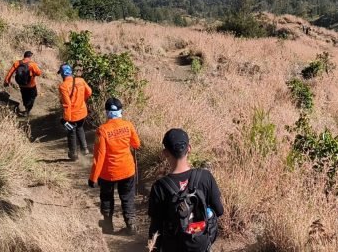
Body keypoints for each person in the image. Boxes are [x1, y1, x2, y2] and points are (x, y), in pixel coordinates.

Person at [148, 129, 224, 252]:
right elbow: (219, 211)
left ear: (165, 153)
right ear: (189, 148)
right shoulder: (205, 177)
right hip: (201, 244)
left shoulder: (159, 187)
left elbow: (156, 227)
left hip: (173, 247)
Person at [89, 97, 142, 235]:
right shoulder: (128, 125)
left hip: (108, 173)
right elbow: (137, 144)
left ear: (106, 112)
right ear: (121, 111)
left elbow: (99, 156)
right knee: (127, 197)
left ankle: (107, 226)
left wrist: (93, 178)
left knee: (107, 197)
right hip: (127, 170)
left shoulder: (102, 130)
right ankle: (131, 225)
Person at [58, 63, 93, 160]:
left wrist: (66, 119)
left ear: (62, 74)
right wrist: (82, 100)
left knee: (71, 131)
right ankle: (84, 149)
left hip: (72, 115)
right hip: (82, 112)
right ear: (71, 72)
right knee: (80, 128)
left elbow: (67, 104)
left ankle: (73, 154)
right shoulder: (81, 80)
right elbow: (89, 92)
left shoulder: (63, 86)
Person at [4, 51, 42, 116]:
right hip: (31, 85)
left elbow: (10, 72)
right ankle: (27, 110)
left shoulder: (17, 63)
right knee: (33, 96)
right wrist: (33, 74)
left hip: (21, 84)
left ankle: (26, 109)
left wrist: (7, 81)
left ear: (24, 56)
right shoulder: (32, 64)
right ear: (30, 57)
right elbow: (39, 73)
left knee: (25, 97)